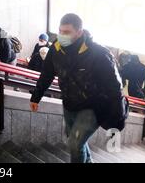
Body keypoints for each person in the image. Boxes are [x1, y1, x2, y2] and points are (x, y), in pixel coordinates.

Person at [30, 13, 124, 163]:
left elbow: (114, 88)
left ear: (79, 32)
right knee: (76, 141)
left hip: (92, 106)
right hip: (69, 104)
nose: (61, 35)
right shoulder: (56, 49)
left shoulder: (98, 54)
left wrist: (117, 118)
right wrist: (36, 96)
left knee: (75, 143)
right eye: (60, 31)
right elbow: (46, 74)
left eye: (66, 32)